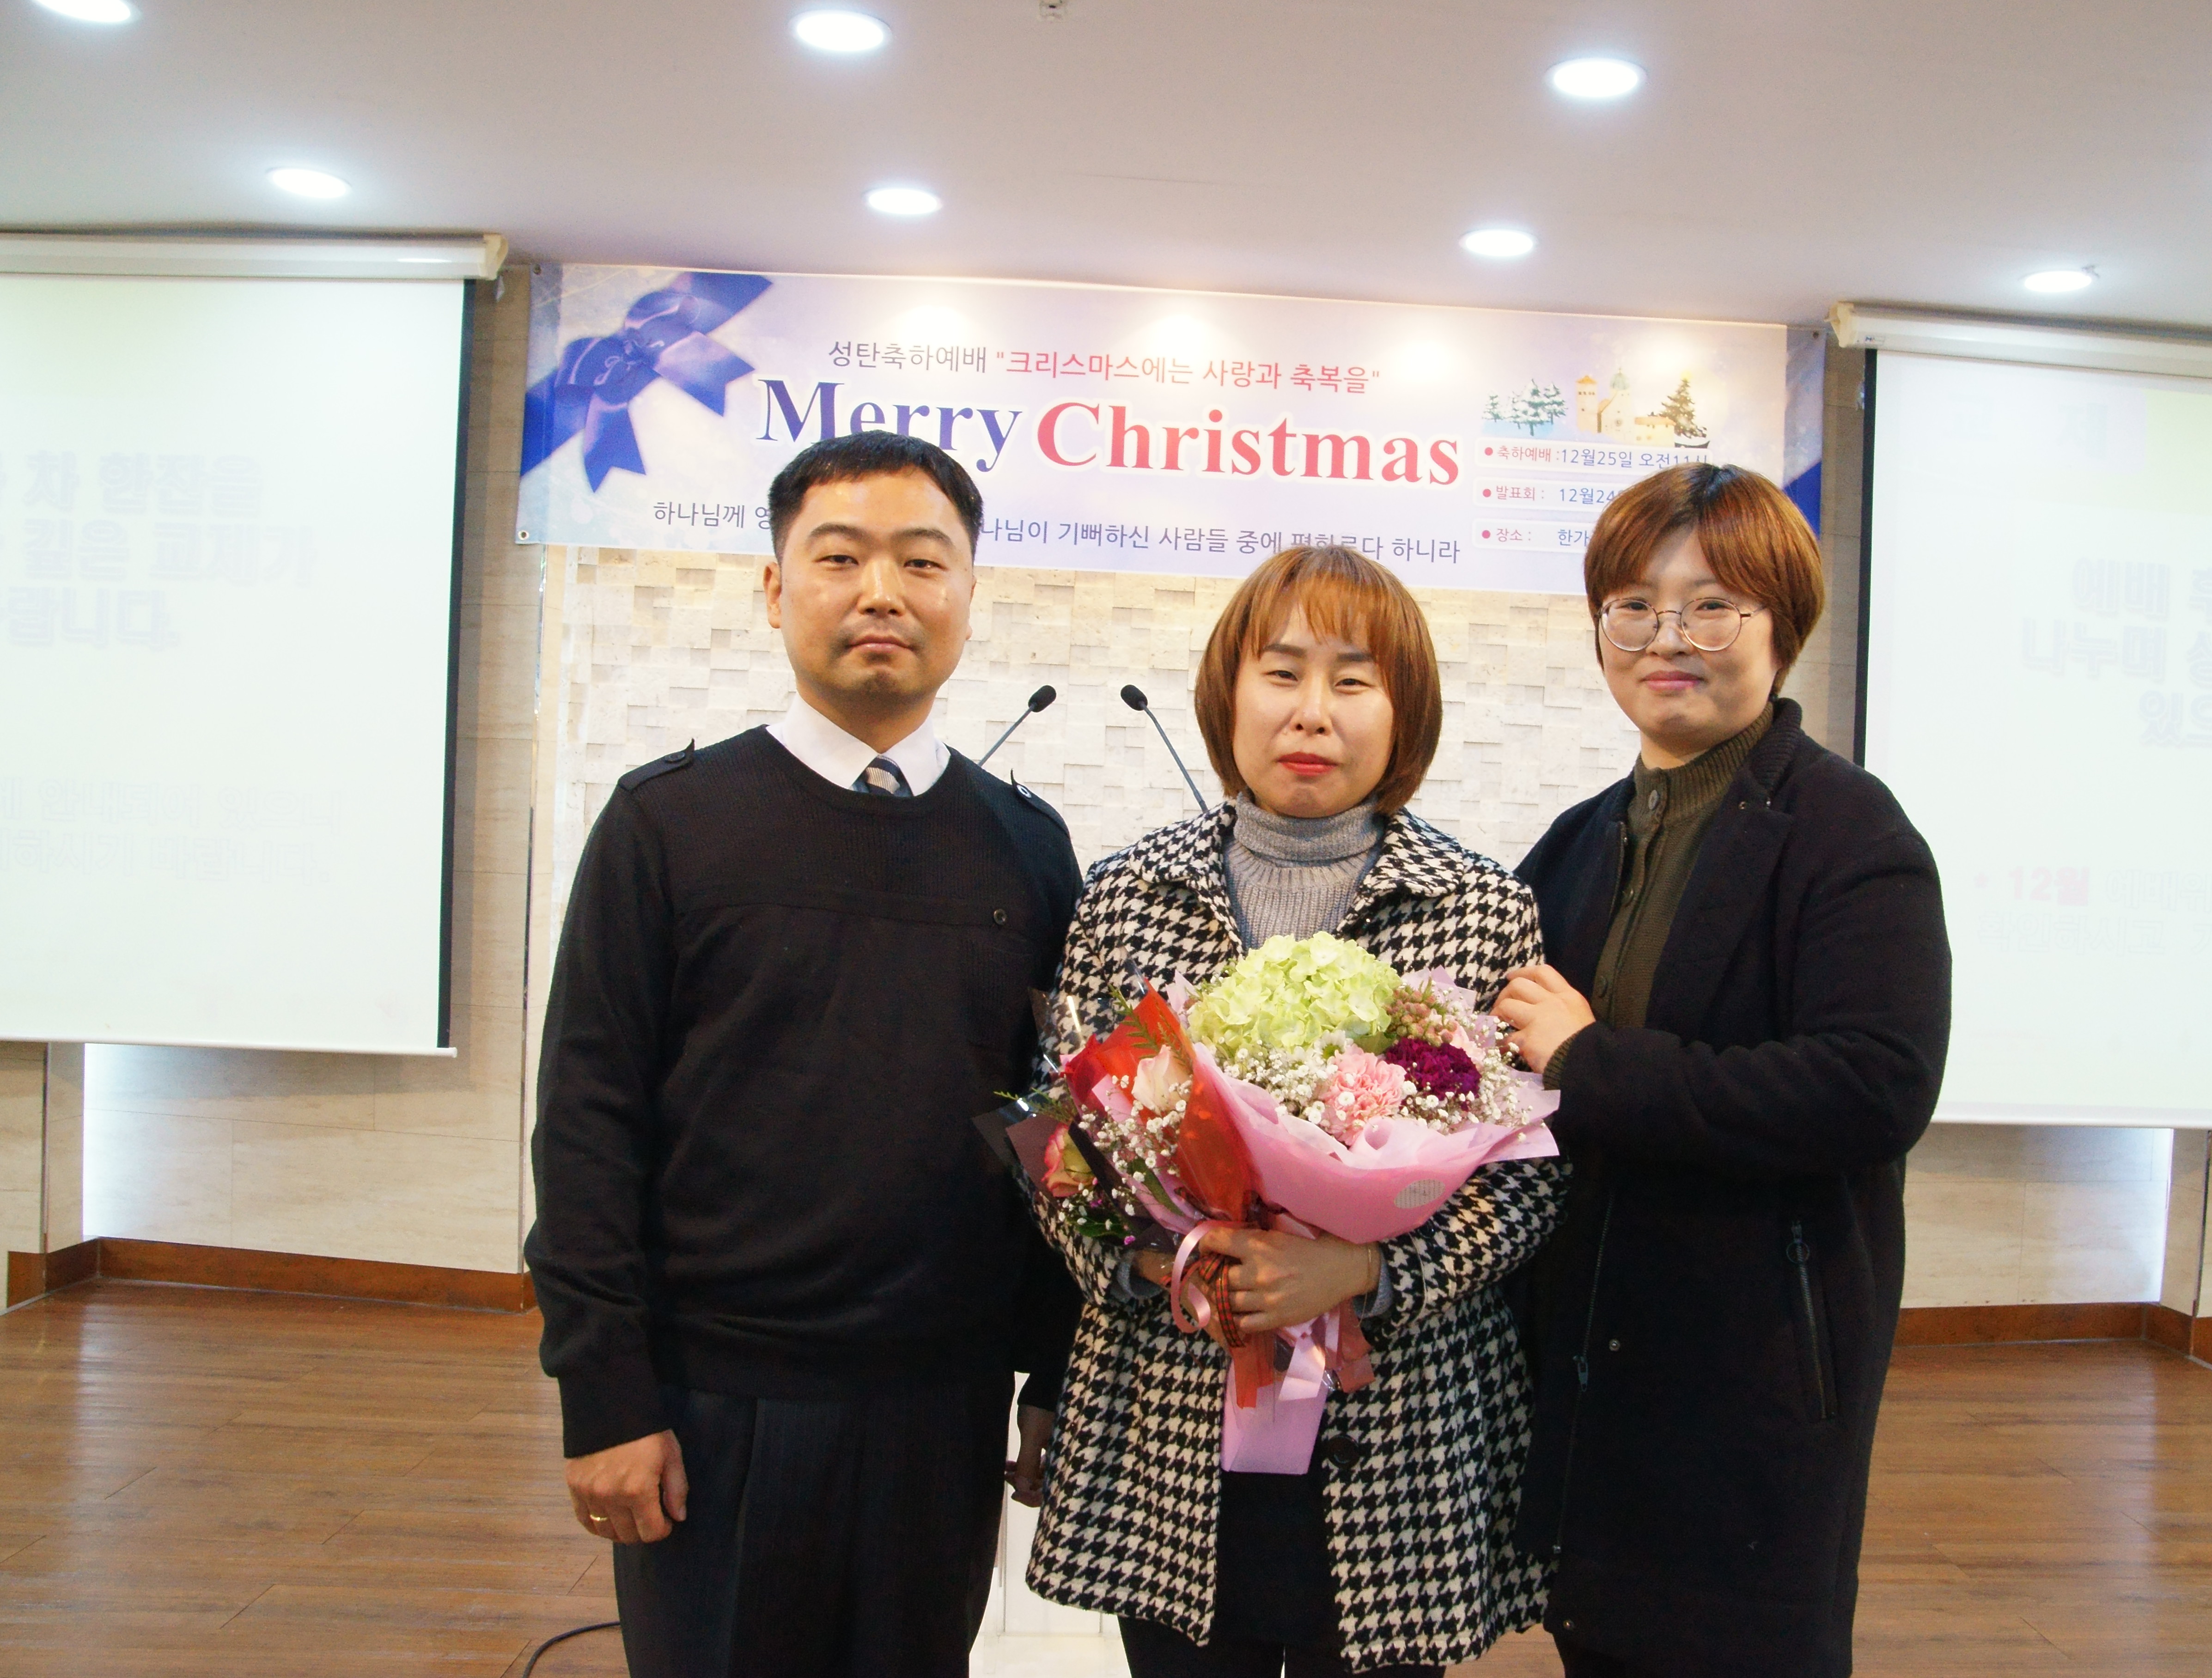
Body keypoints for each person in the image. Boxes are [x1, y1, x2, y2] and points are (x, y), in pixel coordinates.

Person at [524, 431, 1083, 1677]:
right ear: (775, 589)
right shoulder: (668, 823)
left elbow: (1058, 1132)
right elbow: (589, 1122)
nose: (882, 592)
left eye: (922, 562)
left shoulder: (1029, 847)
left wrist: (1052, 1372)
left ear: (969, 596)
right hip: (713, 1401)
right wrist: (605, 1394)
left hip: (941, 1404)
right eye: (839, 558)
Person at [1023, 547, 1570, 1677]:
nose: (1311, 711)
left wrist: (1362, 1271)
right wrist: (1177, 1267)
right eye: (1280, 672)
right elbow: (1066, 1155)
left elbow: (1526, 1183)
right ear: (1228, 693)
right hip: (1171, 1420)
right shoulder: (1125, 896)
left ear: (1403, 712)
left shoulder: (1479, 908)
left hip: (1400, 1436)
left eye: (1353, 679)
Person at [1495, 463, 1952, 1678]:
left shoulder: (1848, 831)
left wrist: (1593, 1062)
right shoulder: (1579, 839)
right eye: (1634, 607)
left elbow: (1874, 1085)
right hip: (1594, 1360)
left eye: (1710, 607)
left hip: (1754, 1360)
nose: (1667, 638)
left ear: (1780, 627)